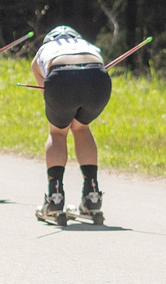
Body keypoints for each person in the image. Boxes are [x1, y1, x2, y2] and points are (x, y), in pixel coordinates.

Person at [34, 25, 112, 225]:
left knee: (58, 132)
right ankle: (92, 195)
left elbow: (45, 89)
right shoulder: (88, 45)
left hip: (61, 76)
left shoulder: (45, 50)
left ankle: (55, 197)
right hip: (98, 78)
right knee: (82, 128)